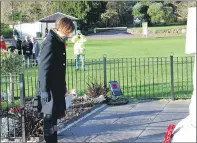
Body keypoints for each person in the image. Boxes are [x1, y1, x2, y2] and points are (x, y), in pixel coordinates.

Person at [37, 17, 75, 143]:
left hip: (56, 87)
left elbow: (60, 68)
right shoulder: (50, 42)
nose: (69, 35)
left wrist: (63, 85)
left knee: (54, 121)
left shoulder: (57, 41)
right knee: (49, 121)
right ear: (63, 29)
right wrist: (44, 90)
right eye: (68, 31)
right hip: (49, 89)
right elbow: (43, 68)